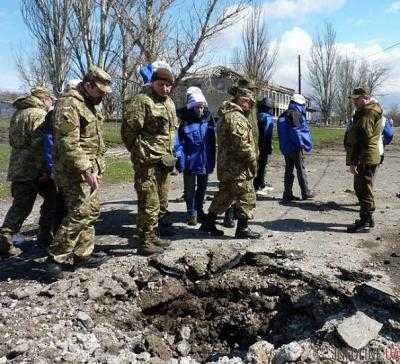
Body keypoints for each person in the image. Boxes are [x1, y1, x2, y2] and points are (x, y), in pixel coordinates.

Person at [46, 65, 111, 278]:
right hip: (73, 170)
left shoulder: (90, 105)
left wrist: (97, 167)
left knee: (91, 212)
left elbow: (94, 139)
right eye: (99, 91)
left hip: (90, 169)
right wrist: (85, 168)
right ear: (88, 85)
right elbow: (68, 143)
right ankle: (56, 257)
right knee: (79, 212)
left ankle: (84, 253)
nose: (102, 96)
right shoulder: (69, 105)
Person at [121, 67, 178, 256]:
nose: (165, 89)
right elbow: (129, 132)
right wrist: (141, 153)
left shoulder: (169, 103)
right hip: (147, 162)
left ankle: (153, 236)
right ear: (153, 82)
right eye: (161, 84)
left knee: (160, 203)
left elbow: (170, 132)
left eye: (168, 85)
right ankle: (144, 241)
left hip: (164, 161)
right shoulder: (142, 101)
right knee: (148, 202)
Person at [0, 87, 56, 257]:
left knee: (20, 205)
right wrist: (46, 169)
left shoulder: (17, 114)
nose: (52, 103)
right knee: (53, 199)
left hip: (18, 166)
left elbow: (12, 140)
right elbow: (40, 144)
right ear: (44, 98)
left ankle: (5, 236)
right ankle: (45, 235)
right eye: (50, 100)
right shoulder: (38, 115)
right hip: (35, 167)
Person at [199, 87, 261, 239]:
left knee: (225, 196)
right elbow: (241, 144)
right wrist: (253, 160)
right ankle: (243, 229)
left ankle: (208, 223)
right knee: (247, 196)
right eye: (248, 102)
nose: (249, 105)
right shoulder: (236, 117)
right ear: (241, 100)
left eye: (251, 103)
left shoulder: (230, 116)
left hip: (230, 166)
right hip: (238, 167)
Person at [174, 87, 216, 226]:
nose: (200, 110)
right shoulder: (185, 123)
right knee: (190, 190)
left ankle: (199, 210)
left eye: (202, 107)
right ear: (191, 108)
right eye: (197, 107)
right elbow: (178, 144)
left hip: (204, 161)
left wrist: (212, 160)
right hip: (189, 162)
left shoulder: (208, 121)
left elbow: (212, 141)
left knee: (202, 188)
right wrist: (180, 160)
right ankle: (191, 213)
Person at [345, 87, 383, 233]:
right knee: (364, 187)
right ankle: (368, 219)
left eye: (356, 99)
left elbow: (362, 139)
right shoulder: (369, 110)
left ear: (365, 98)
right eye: (353, 99)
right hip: (368, 156)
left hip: (365, 157)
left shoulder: (368, 112)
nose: (354, 102)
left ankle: (365, 221)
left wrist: (354, 162)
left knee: (362, 189)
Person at [277, 93, 314, 201]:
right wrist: (304, 145)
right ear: (300, 104)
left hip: (285, 148)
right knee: (300, 169)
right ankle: (305, 192)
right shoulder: (295, 115)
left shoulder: (283, 115)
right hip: (294, 147)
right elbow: (297, 132)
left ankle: (287, 193)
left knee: (288, 170)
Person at [254, 97, 274, 196]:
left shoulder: (257, 115)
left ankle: (260, 183)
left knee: (258, 165)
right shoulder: (267, 117)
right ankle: (258, 185)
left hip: (256, 144)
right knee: (262, 165)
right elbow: (267, 133)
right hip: (263, 145)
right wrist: (269, 146)